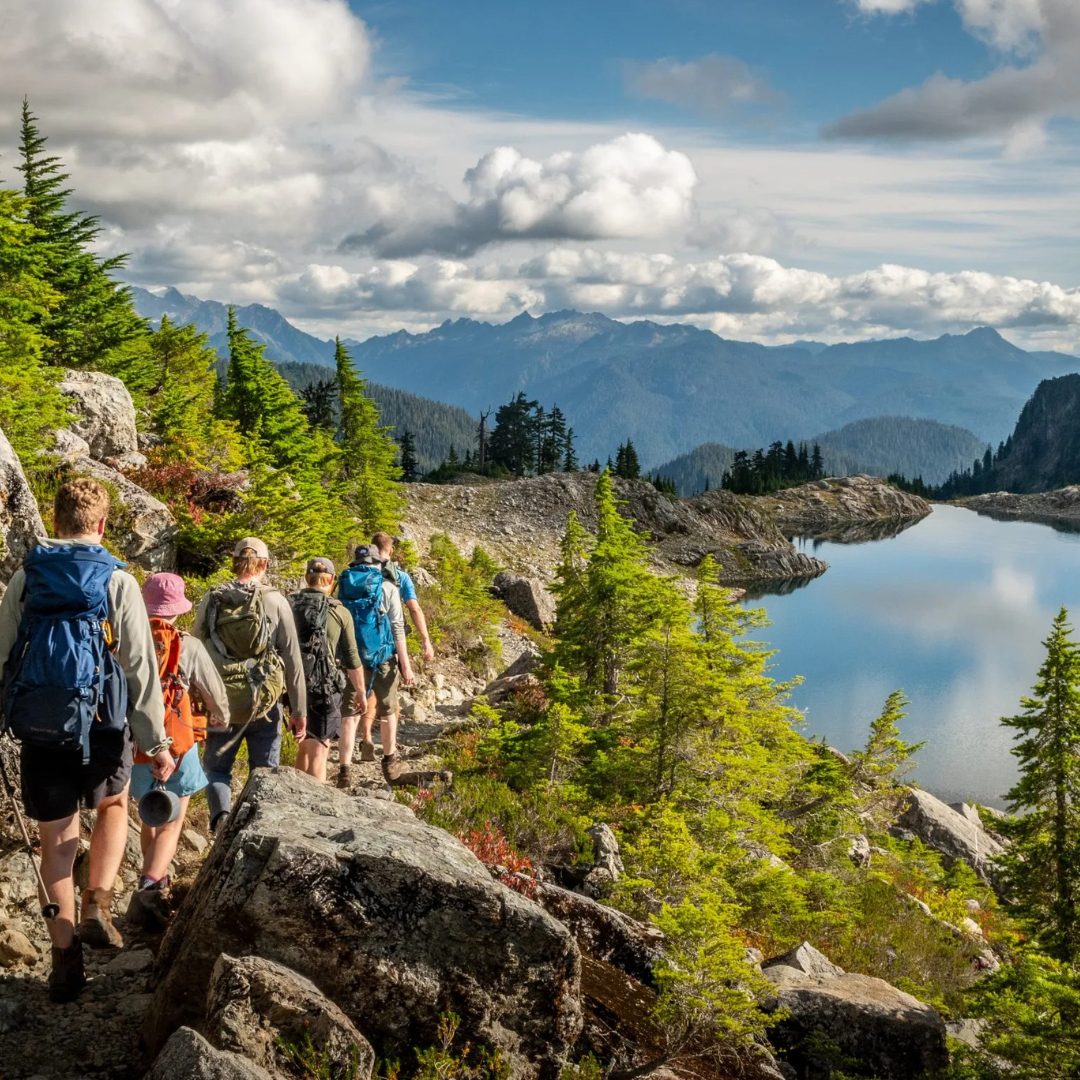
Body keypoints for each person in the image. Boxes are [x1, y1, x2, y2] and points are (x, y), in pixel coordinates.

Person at [0, 479, 175, 1003]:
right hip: (103, 724)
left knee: (54, 843)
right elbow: (140, 665)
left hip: (40, 725)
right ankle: (98, 901)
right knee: (114, 804)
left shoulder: (26, 576)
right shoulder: (116, 581)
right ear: (102, 525)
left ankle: (63, 956)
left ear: (55, 521)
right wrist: (157, 741)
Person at [127, 573, 230, 931]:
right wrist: (221, 717)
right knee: (172, 821)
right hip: (179, 743)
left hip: (139, 743)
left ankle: (154, 875)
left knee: (148, 817)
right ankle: (149, 888)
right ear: (179, 609)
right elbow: (215, 695)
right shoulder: (188, 645)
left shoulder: (130, 641)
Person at [194, 537, 306, 833]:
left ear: (234, 561)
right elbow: (293, 659)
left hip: (221, 701)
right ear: (264, 564)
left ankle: (220, 823)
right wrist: (299, 711)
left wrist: (197, 703)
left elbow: (194, 651)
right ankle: (258, 830)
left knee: (217, 769)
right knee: (265, 772)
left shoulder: (212, 598)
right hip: (264, 702)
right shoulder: (276, 601)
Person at [336, 544, 415, 789]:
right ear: (377, 563)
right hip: (383, 658)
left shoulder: (344, 586)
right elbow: (397, 627)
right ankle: (390, 762)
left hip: (352, 660)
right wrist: (405, 663)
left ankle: (344, 771)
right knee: (388, 709)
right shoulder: (388, 586)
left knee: (349, 713)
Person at [289, 557, 365, 783]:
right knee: (320, 752)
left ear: (307, 578)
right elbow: (351, 657)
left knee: (302, 746)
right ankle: (313, 809)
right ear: (332, 580)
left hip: (293, 686)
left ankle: (295, 799)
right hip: (324, 688)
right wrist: (360, 691)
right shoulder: (339, 612)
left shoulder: (289, 604)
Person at [371, 532, 435, 663]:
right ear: (391, 551)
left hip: (359, 639)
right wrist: (425, 640)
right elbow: (414, 609)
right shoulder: (401, 577)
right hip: (387, 641)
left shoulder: (358, 574)